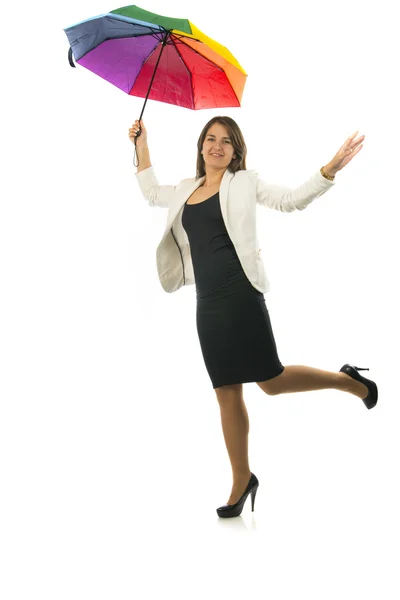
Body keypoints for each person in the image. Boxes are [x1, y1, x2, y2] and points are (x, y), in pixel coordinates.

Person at [128, 116, 378, 518]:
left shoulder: (244, 182)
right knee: (226, 390)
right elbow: (151, 190)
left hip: (242, 295)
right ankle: (241, 480)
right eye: (210, 139)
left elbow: (291, 199)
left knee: (271, 382)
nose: (217, 146)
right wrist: (142, 143)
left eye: (226, 141)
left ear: (235, 150)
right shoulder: (185, 190)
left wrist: (328, 170)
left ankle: (347, 381)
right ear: (200, 146)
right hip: (207, 303)